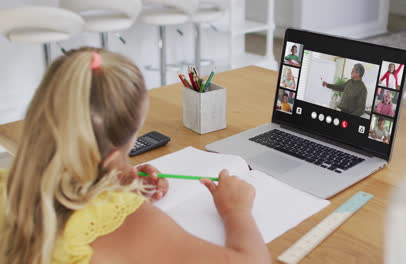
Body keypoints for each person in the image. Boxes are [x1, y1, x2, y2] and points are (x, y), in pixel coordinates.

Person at [0, 48, 271, 264]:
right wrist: (235, 210)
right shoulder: (124, 222)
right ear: (117, 151)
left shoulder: (6, 185)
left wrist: (109, 185)